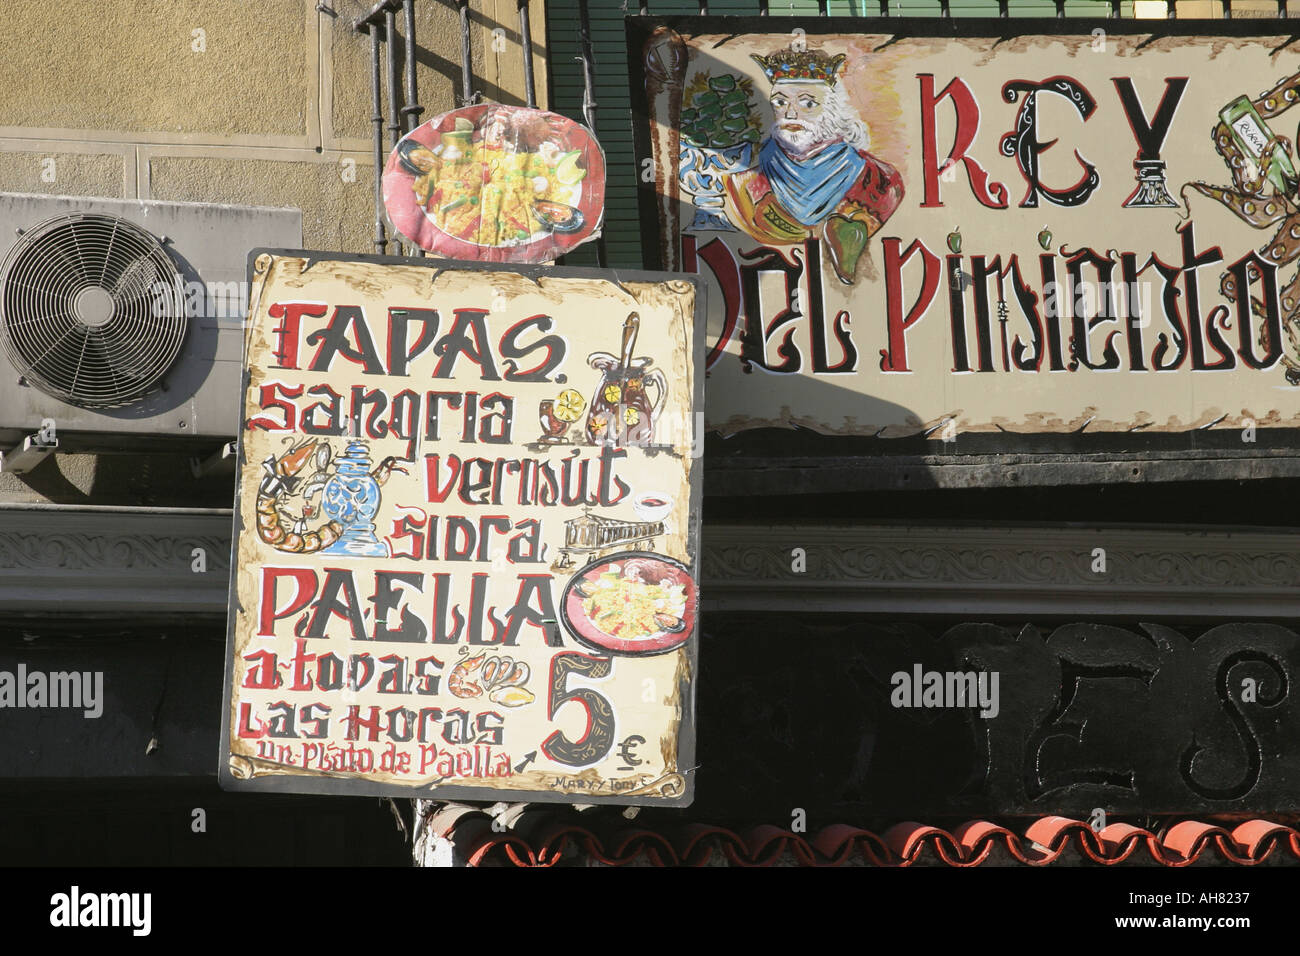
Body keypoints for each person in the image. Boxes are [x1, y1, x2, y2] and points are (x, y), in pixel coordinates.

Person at [723, 47, 904, 284]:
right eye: (779, 101)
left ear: (833, 111)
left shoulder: (881, 182)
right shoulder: (745, 185)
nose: (789, 113)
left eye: (807, 103)